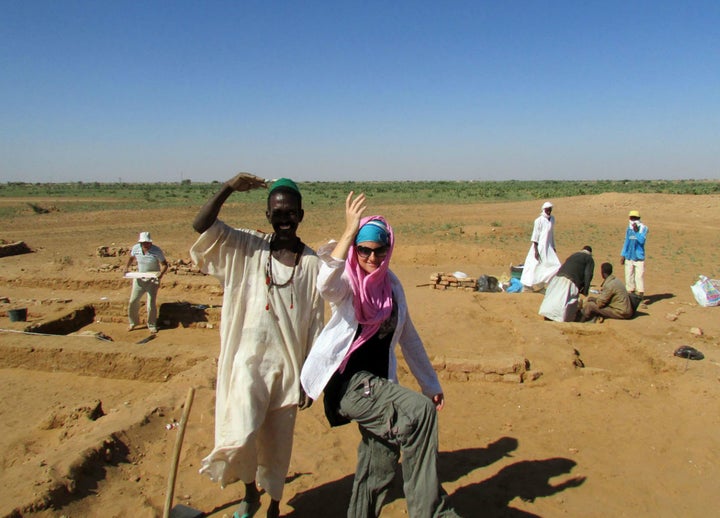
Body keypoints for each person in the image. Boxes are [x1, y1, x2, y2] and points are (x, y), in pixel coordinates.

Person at [301, 192, 459, 518]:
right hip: (350, 385)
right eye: (364, 250)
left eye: (379, 251)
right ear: (356, 250)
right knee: (420, 414)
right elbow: (324, 285)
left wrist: (429, 384)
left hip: (378, 384)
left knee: (381, 459)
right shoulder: (347, 282)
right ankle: (429, 512)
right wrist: (347, 232)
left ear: (389, 250)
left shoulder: (392, 287)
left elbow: (409, 338)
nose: (372, 258)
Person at [190, 173, 324, 518]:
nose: (284, 219)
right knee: (242, 433)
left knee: (278, 446)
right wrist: (228, 188)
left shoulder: (310, 264)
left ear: (301, 215)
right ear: (267, 216)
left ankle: (275, 504)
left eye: (290, 213)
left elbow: (315, 327)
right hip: (246, 365)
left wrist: (310, 380)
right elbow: (201, 224)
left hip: (288, 370)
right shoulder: (247, 247)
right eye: (277, 213)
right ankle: (250, 493)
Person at [124, 231, 168, 333]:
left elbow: (165, 265)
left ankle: (151, 325)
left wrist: (160, 274)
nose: (146, 244)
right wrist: (126, 267)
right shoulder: (136, 248)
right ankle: (133, 323)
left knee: (151, 303)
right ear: (140, 243)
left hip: (152, 280)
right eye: (144, 243)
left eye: (147, 242)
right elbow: (131, 258)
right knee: (133, 301)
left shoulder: (156, 251)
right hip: (139, 279)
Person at [538, 245, 594, 322]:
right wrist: (585, 290)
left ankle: (547, 314)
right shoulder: (589, 259)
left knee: (554, 296)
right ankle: (559, 318)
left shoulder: (574, 255)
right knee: (565, 301)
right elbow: (588, 274)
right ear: (590, 253)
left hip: (558, 277)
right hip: (570, 280)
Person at [520, 201, 561, 290]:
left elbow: (551, 234)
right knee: (534, 265)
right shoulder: (539, 220)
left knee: (555, 265)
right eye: (547, 209)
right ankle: (527, 285)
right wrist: (536, 250)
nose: (549, 211)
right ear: (543, 210)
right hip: (539, 247)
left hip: (548, 247)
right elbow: (535, 236)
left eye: (550, 209)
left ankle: (542, 284)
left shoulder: (552, 219)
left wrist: (553, 247)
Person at [621, 209, 648, 298]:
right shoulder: (629, 229)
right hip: (629, 256)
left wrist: (636, 232)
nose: (633, 220)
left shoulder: (643, 228)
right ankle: (630, 295)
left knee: (639, 277)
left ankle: (640, 296)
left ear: (638, 218)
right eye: (631, 218)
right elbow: (626, 242)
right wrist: (623, 254)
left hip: (639, 257)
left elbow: (642, 241)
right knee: (629, 276)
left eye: (635, 218)